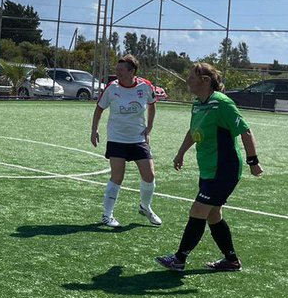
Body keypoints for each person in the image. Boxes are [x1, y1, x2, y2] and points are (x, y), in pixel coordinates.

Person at [156, 63, 264, 273]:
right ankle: (231, 260)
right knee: (213, 215)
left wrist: (253, 162)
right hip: (208, 168)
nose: (187, 80)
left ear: (205, 80)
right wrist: (181, 153)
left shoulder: (221, 103)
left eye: (191, 76)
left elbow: (246, 131)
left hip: (225, 168)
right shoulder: (198, 104)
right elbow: (193, 131)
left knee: (198, 210)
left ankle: (179, 259)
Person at [90, 54, 160, 228]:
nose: (117, 73)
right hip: (117, 139)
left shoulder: (145, 86)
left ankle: (145, 207)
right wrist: (94, 130)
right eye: (117, 69)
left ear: (132, 71)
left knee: (149, 175)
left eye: (121, 70)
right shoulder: (111, 88)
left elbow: (152, 104)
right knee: (117, 177)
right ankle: (107, 215)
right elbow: (99, 109)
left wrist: (149, 128)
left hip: (138, 139)